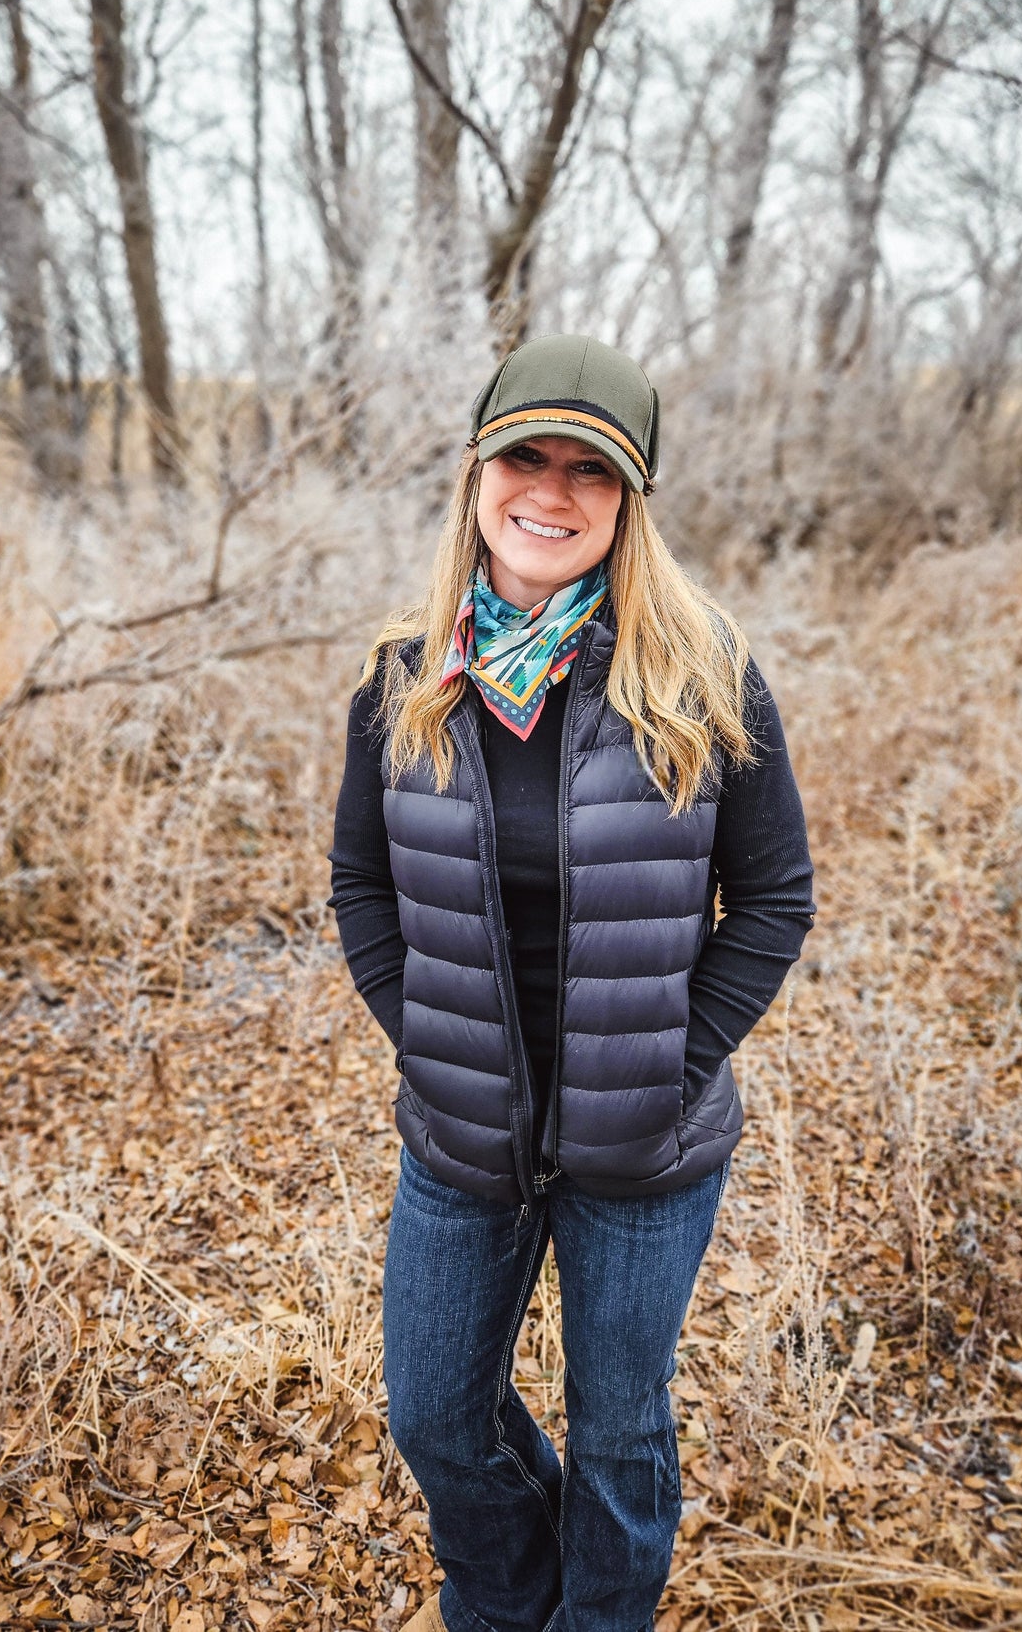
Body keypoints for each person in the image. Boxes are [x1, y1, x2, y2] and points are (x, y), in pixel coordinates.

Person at [327, 334, 815, 1632]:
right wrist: (434, 1039)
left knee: (618, 1437)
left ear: (627, 498)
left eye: (586, 468)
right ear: (478, 473)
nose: (549, 491)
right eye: (524, 457)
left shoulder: (701, 672)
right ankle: (502, 1605)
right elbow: (360, 889)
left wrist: (666, 1053)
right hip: (459, 1129)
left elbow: (772, 900)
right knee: (433, 1410)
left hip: (643, 1143)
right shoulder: (400, 677)